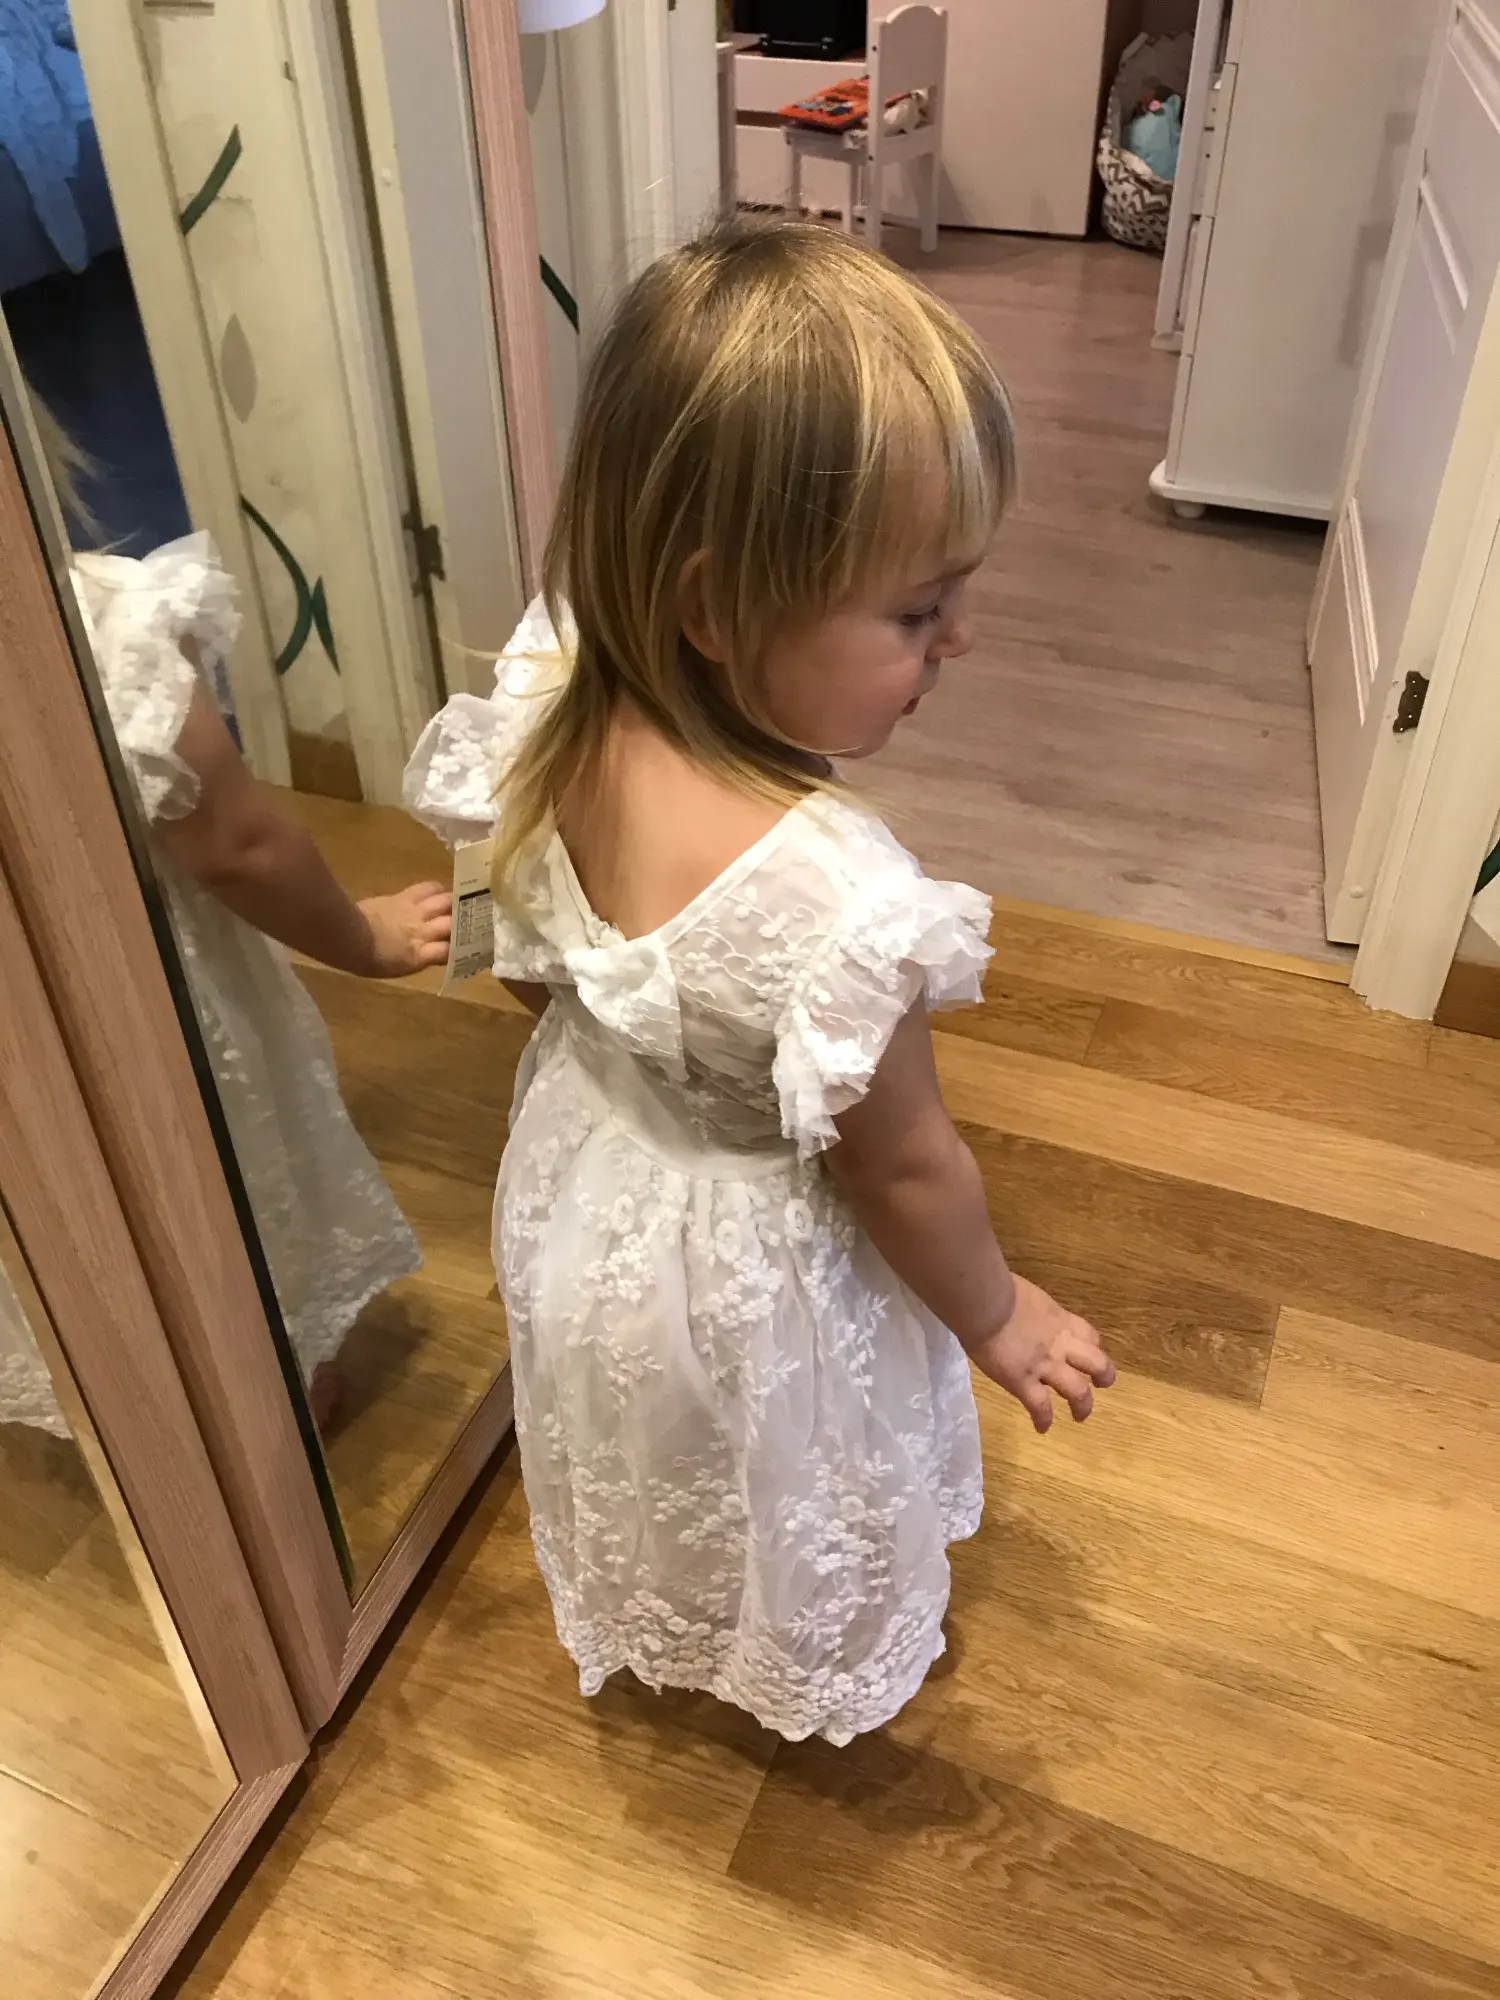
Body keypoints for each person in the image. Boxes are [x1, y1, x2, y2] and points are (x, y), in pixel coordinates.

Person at [404, 217, 1115, 1744]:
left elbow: (531, 953)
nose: (964, 637)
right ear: (717, 609)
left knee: (655, 1438)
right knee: (790, 1446)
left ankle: (676, 1610)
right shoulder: (837, 902)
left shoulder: (550, 687)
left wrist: (636, 1065)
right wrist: (997, 1319)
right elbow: (905, 1169)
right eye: (917, 611)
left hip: (590, 1187)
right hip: (749, 1251)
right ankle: (805, 1638)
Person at [0, 403, 451, 1438]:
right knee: (198, 1190)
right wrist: (363, 938)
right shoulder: (91, 630)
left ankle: (114, 1397)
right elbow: (237, 843)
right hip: (133, 1014)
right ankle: (260, 1386)